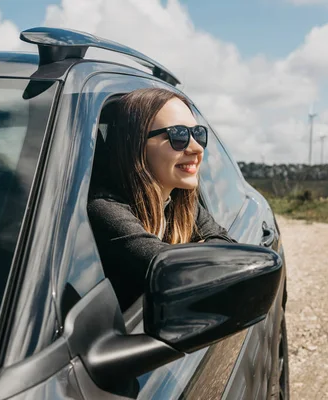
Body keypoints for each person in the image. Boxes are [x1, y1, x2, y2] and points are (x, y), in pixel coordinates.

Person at [87, 88, 236, 312]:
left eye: (198, 134)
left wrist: (196, 257)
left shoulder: (181, 204)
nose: (196, 148)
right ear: (135, 145)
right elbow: (169, 269)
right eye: (178, 136)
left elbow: (228, 250)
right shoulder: (104, 210)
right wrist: (201, 252)